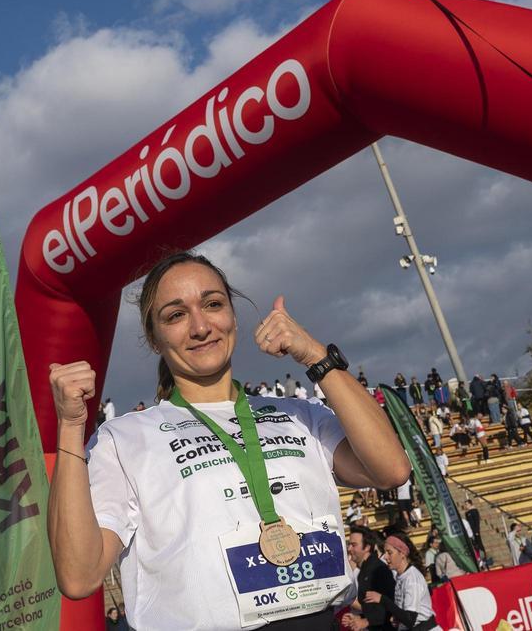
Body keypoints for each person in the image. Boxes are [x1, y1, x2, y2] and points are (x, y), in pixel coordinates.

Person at [47, 251, 410, 630]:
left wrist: (316, 356)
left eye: (213, 304)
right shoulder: (124, 438)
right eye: (176, 315)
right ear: (154, 338)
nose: (200, 326)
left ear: (233, 316)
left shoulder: (301, 414)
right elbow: (79, 576)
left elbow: (392, 470)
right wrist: (70, 425)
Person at [363, 533, 440, 631]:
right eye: (385, 552)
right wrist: (398, 618)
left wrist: (382, 599)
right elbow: (405, 615)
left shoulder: (412, 579)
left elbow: (410, 619)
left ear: (402, 554)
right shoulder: (400, 575)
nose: (385, 557)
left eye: (389, 552)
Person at [344, 526, 397, 631]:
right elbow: (372, 608)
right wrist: (359, 617)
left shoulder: (378, 570)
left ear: (367, 547)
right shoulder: (363, 570)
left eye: (354, 545)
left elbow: (390, 606)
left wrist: (366, 621)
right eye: (349, 544)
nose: (349, 549)